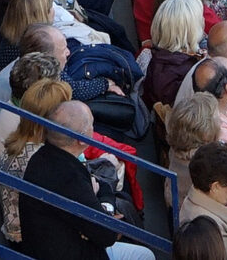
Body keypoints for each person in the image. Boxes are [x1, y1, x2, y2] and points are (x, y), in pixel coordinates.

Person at [21, 99, 152, 260]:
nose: (93, 128)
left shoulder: (40, 158)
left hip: (46, 246)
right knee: (145, 256)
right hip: (71, 252)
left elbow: (102, 188)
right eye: (92, 124)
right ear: (82, 139)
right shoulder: (69, 178)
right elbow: (107, 235)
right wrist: (107, 207)